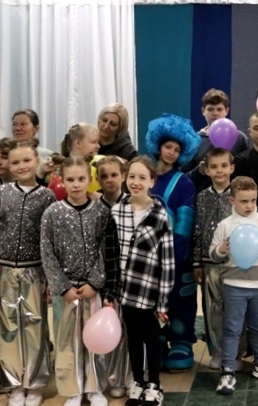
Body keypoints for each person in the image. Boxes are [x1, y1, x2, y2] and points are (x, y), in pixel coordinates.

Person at [40, 156, 120, 406]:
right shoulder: (52, 213)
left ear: (90, 180)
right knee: (67, 342)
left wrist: (95, 283)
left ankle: (95, 387)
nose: (76, 184)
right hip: (66, 291)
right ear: (62, 181)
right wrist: (62, 286)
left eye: (81, 179)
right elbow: (47, 252)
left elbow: (105, 250)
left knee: (94, 339)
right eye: (71, 179)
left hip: (92, 289)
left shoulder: (101, 212)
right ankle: (73, 390)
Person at [0, 139, 56, 406]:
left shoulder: (47, 196)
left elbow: (49, 241)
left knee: (35, 325)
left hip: (34, 270)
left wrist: (49, 277)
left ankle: (34, 384)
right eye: (15, 162)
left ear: (37, 161)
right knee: (8, 327)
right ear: (9, 166)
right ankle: (14, 383)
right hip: (2, 270)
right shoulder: (0, 193)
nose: (21, 166)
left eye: (26, 160)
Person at [110, 156, 176, 406]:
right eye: (132, 177)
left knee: (152, 338)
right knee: (133, 339)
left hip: (149, 292)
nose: (136, 182)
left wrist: (163, 300)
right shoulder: (116, 211)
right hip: (125, 291)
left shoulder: (160, 215)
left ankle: (154, 384)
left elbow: (167, 261)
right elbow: (111, 253)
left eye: (142, 177)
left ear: (152, 182)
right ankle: (137, 380)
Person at [212, 176, 258, 394]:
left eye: (253, 200)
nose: (249, 205)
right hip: (234, 284)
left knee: (257, 326)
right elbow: (213, 252)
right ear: (232, 200)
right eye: (243, 201)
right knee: (232, 327)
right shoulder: (226, 225)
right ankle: (227, 369)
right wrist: (221, 250)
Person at [146, 113, 200, 371]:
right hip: (146, 256)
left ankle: (181, 341)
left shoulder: (184, 183)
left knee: (179, 299)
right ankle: (156, 340)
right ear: (159, 146)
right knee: (150, 299)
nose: (171, 152)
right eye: (168, 147)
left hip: (177, 258)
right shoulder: (144, 177)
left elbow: (185, 222)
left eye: (177, 150)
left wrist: (173, 255)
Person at [191, 148, 235, 370]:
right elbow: (198, 230)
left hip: (236, 262)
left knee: (235, 307)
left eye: (224, 166)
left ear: (232, 168)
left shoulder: (238, 195)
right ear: (207, 170)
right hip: (209, 263)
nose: (220, 171)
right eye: (214, 167)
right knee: (212, 308)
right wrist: (197, 262)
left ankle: (235, 352)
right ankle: (217, 351)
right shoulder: (202, 197)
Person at [95, 155, 132, 398]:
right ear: (98, 180)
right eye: (104, 176)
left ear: (123, 176)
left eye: (114, 175)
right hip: (103, 279)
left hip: (130, 277)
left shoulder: (132, 205)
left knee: (129, 330)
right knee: (108, 327)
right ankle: (110, 377)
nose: (109, 180)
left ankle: (129, 376)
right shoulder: (94, 207)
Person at [182, 88, 249, 191]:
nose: (215, 113)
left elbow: (247, 173)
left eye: (219, 109)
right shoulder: (193, 141)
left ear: (227, 111)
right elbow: (183, 179)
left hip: (234, 196)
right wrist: (198, 171)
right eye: (210, 109)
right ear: (203, 111)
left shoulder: (239, 138)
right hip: (202, 197)